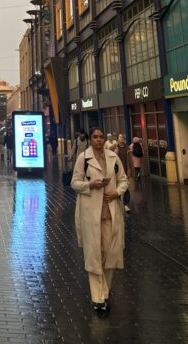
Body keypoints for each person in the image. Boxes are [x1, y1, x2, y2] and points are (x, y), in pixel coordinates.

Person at [71, 126, 128, 314]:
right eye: (95, 137)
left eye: (101, 136)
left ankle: (105, 291)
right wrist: (90, 185)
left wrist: (116, 193)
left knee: (110, 255)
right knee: (94, 256)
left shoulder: (114, 158)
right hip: (91, 214)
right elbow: (74, 183)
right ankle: (98, 298)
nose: (98, 140)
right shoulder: (84, 159)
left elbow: (124, 180)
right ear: (90, 139)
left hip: (110, 214)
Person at [116, 133, 132, 212]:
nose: (121, 138)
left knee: (125, 188)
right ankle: (118, 204)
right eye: (120, 137)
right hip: (116, 171)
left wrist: (130, 172)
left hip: (125, 170)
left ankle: (126, 205)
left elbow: (130, 161)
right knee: (117, 188)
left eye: (123, 137)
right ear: (117, 139)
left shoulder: (127, 148)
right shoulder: (115, 148)